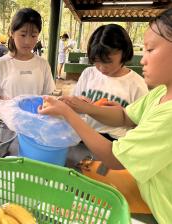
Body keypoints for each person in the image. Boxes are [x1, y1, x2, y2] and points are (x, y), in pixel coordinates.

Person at [39, 8, 172, 223]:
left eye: (150, 50)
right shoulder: (160, 92)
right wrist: (82, 107)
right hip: (147, 193)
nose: (144, 60)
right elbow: (124, 117)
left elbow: (115, 156)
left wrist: (67, 112)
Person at [62, 24, 148, 143]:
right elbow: (75, 107)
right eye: (97, 62)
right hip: (86, 136)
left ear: (124, 52)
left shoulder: (137, 85)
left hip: (117, 142)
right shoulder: (89, 74)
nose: (102, 68)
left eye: (108, 62)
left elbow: (142, 125)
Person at [0, 8, 55, 99]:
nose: (27, 42)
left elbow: (47, 96)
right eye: (23, 35)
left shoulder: (43, 64)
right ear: (12, 33)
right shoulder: (0, 64)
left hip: (36, 113)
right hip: (9, 113)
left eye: (33, 36)